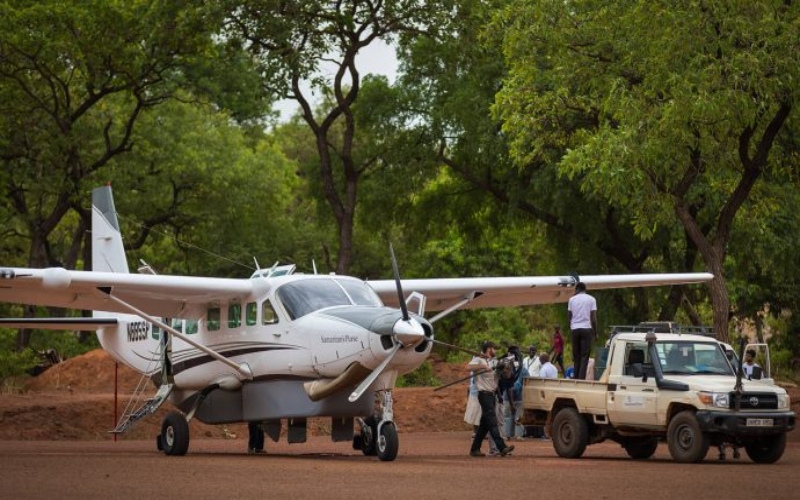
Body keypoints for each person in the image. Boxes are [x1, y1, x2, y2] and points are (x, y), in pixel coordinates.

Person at [468, 340, 515, 458]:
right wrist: (483, 366)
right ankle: (502, 447)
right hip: (484, 395)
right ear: (489, 349)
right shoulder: (479, 359)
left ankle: (475, 449)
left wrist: (506, 367)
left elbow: (506, 376)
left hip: (492, 395)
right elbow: (467, 367)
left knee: (484, 425)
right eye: (494, 348)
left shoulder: (495, 361)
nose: (495, 350)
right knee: (493, 422)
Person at [568, 282, 597, 380]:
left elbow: (569, 316)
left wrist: (571, 328)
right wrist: (595, 333)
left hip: (575, 329)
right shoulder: (591, 299)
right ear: (585, 289)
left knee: (576, 356)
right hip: (586, 329)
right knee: (584, 356)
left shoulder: (571, 300)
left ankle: (575, 378)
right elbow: (593, 318)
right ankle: (581, 379)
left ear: (577, 289)